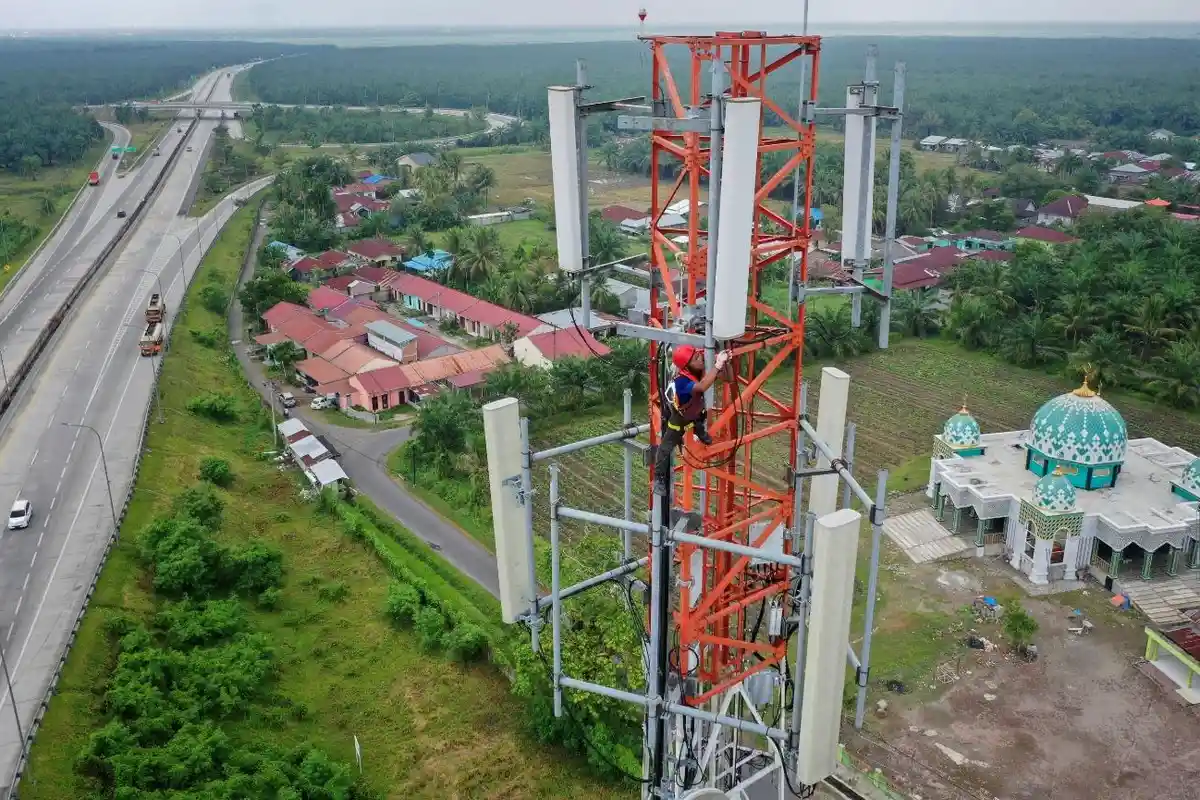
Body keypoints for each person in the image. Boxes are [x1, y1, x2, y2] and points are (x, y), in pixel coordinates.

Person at [653, 344, 731, 496]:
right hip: (681, 419)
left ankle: (699, 431)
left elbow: (729, 378)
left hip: (695, 412)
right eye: (696, 358)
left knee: (699, 418)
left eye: (699, 355)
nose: (700, 359)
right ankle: (658, 479)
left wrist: (725, 361)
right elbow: (701, 387)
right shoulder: (681, 382)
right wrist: (718, 364)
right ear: (687, 366)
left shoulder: (697, 367)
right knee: (665, 447)